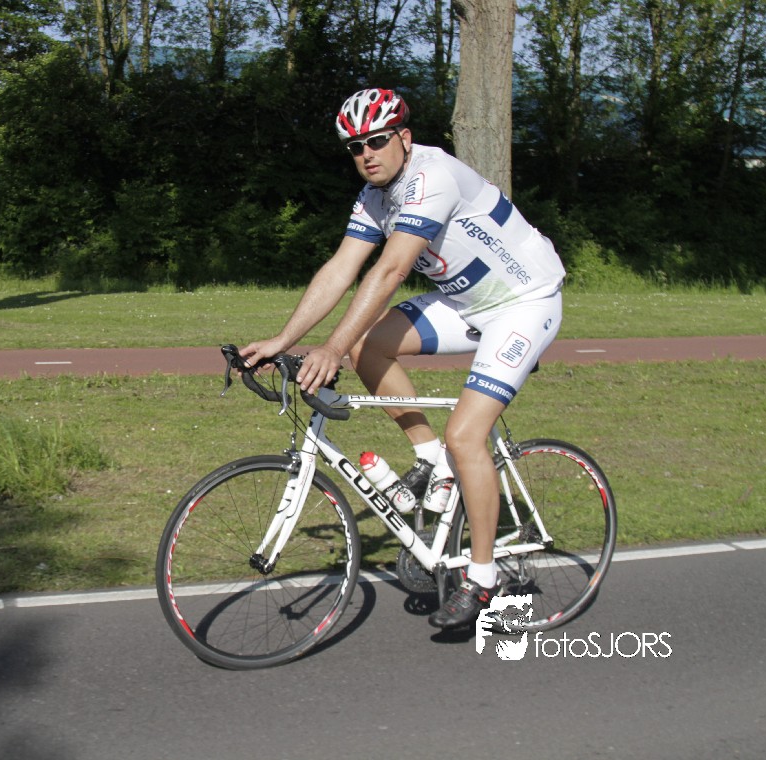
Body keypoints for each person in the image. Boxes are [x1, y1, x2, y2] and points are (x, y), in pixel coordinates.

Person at [240, 87, 566, 629]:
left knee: (467, 435)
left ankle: (482, 577)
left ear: (404, 138)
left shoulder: (432, 177)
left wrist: (330, 347)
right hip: (466, 303)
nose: (367, 154)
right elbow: (341, 269)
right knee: (369, 345)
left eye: (377, 141)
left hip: (524, 303)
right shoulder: (375, 196)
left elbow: (390, 271)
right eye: (355, 147)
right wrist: (282, 339)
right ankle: (432, 459)